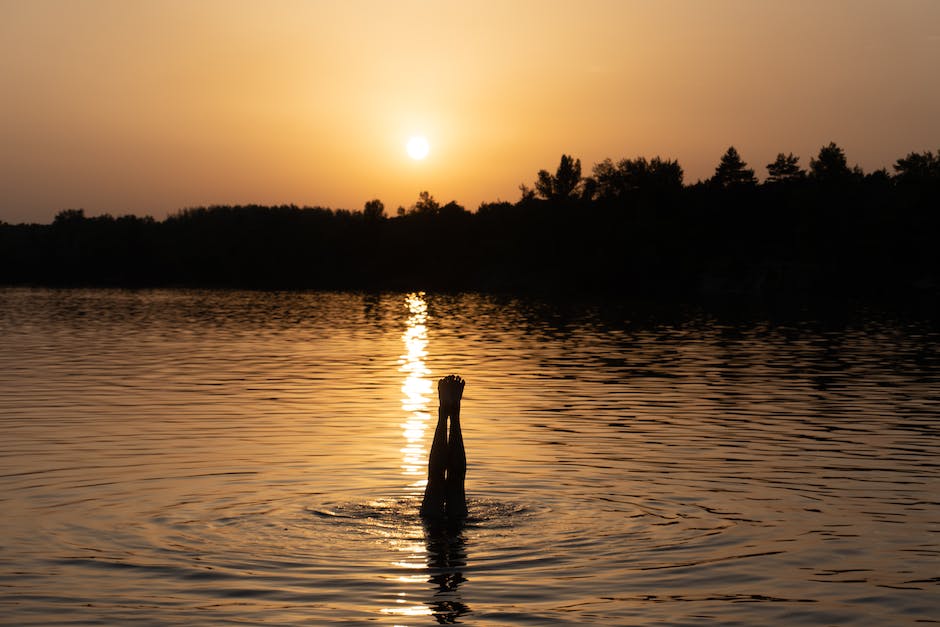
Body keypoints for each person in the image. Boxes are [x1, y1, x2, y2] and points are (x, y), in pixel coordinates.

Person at [421, 374, 468, 521]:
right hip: (457, 519)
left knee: (435, 479)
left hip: (431, 519)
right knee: (456, 481)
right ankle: (454, 412)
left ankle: (444, 412)